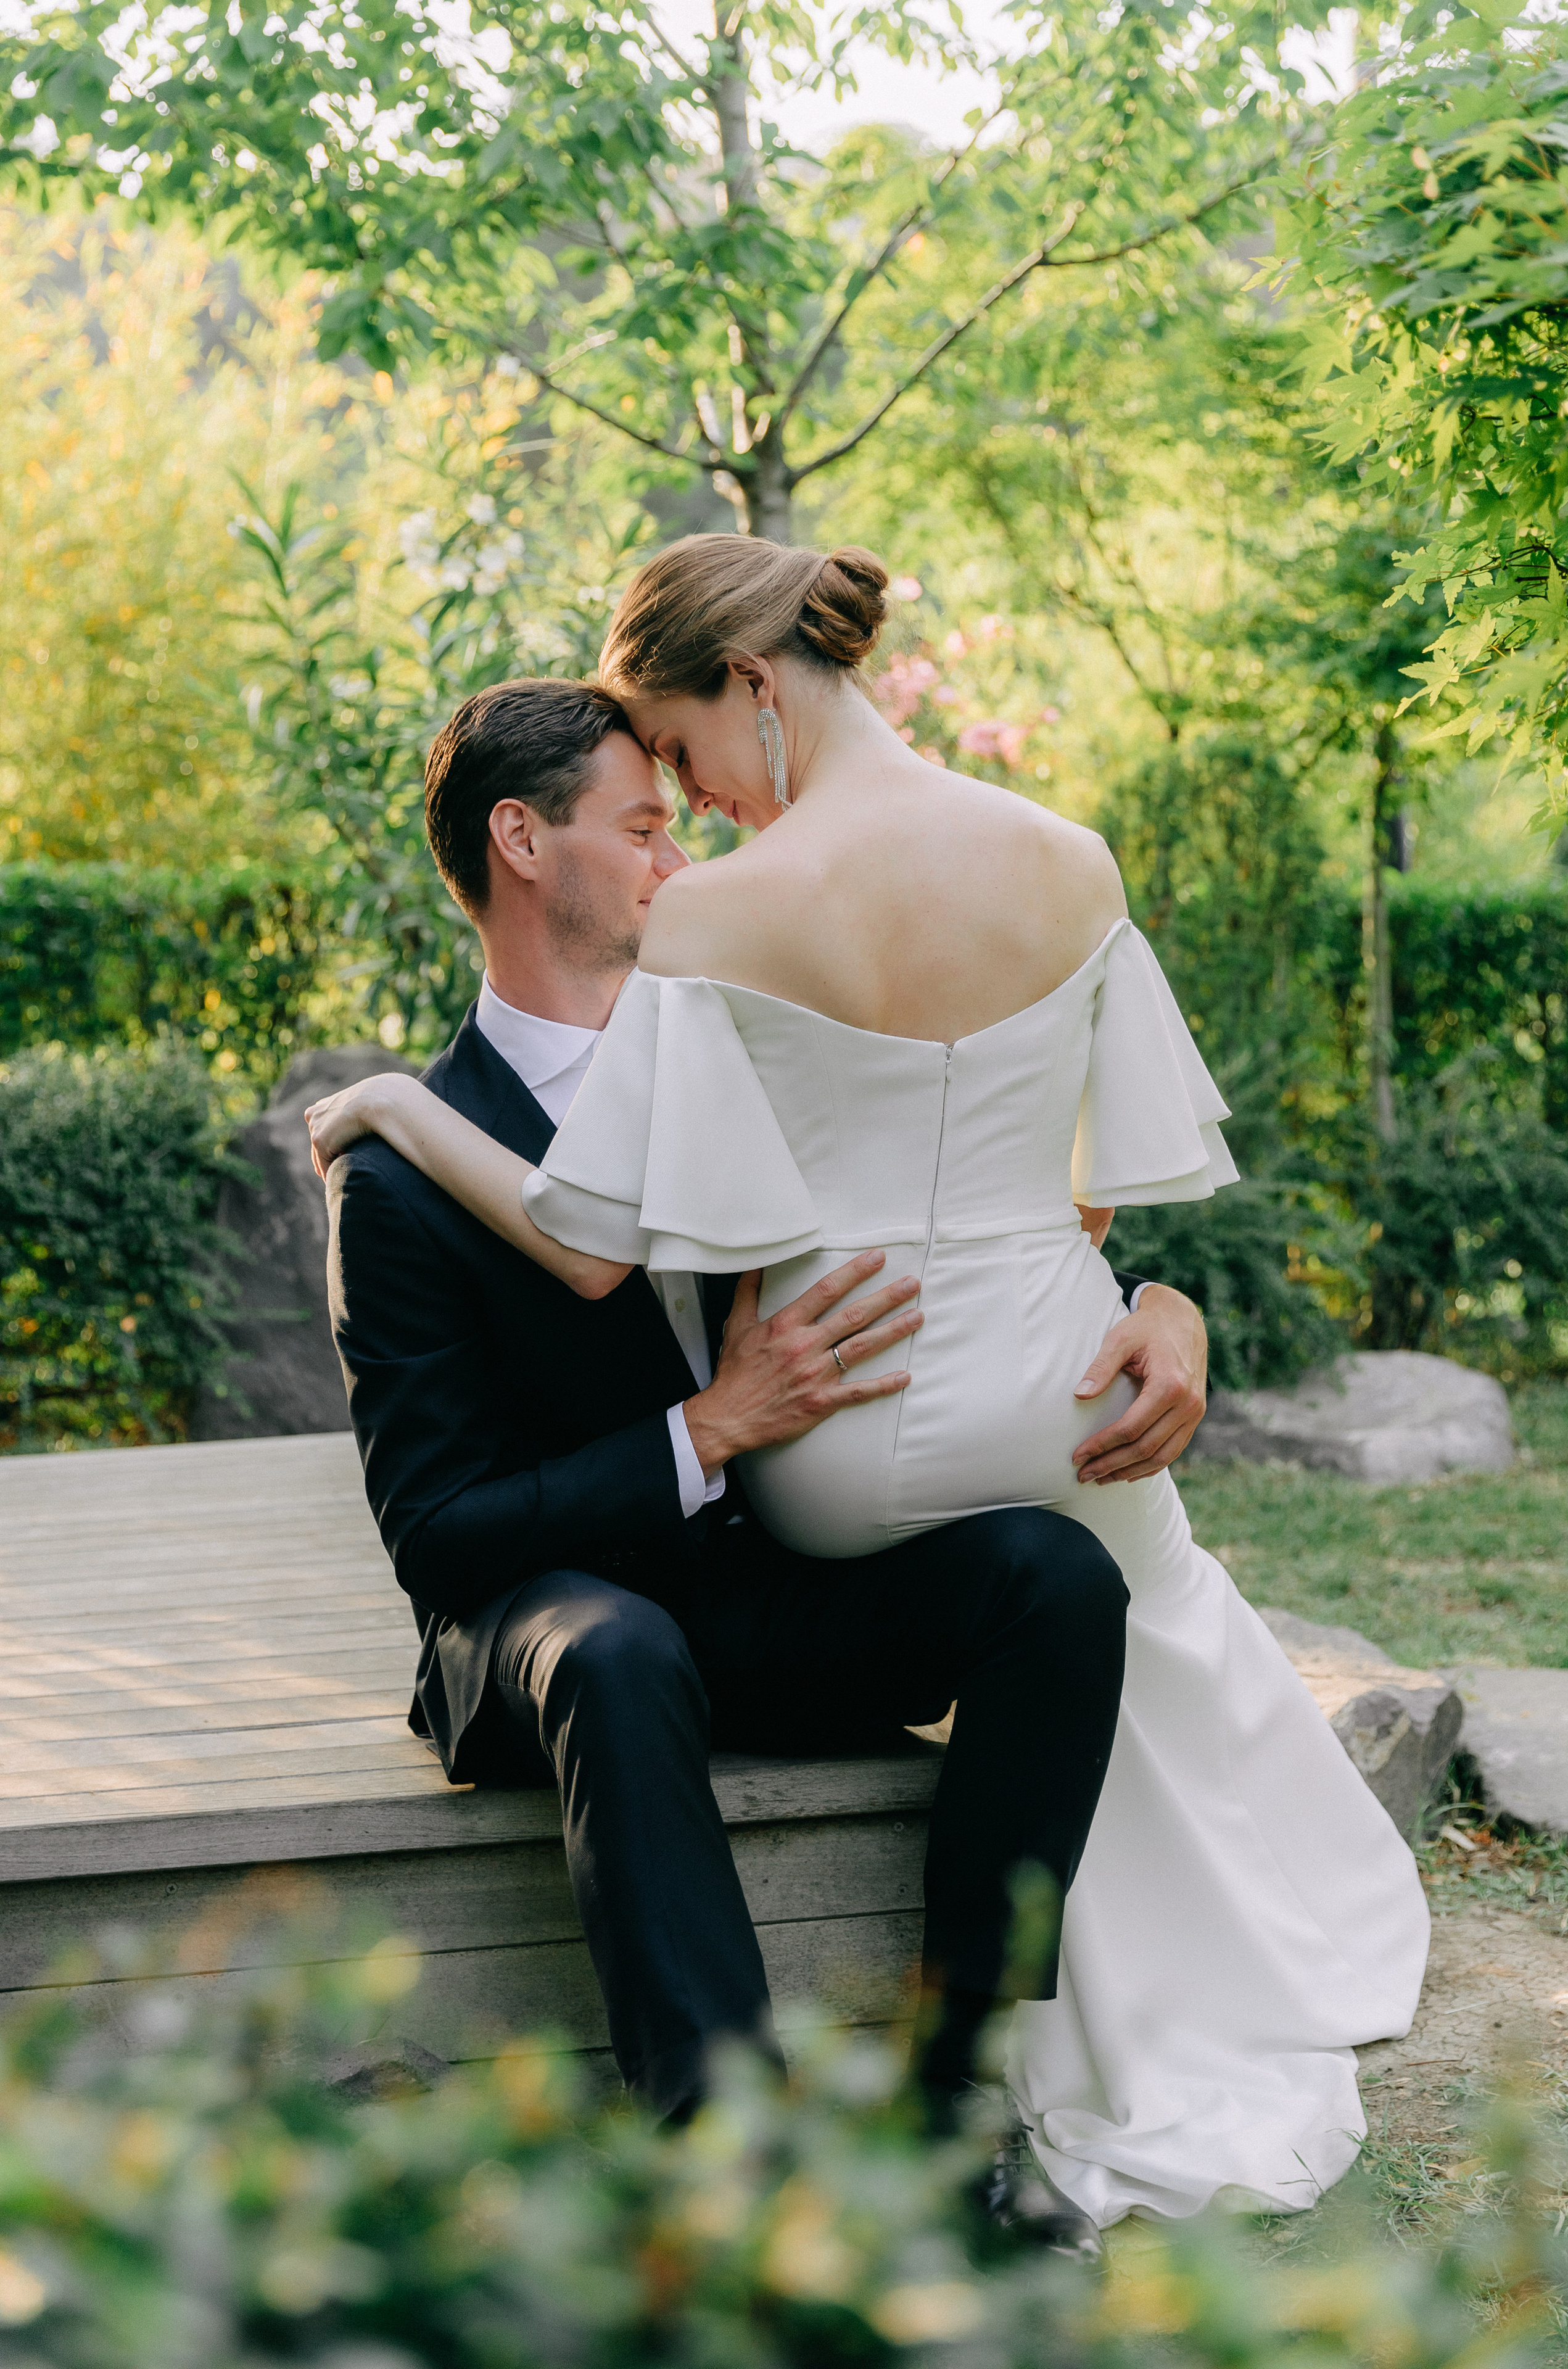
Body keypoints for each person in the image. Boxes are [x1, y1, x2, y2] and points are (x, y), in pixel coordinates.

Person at [312, 540, 1429, 2231]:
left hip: (777, 1577)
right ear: (522, 844)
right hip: (563, 1613)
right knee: (612, 1648)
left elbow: (979, 1200)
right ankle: (736, 2166)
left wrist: (1163, 1307)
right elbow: (445, 1541)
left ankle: (941, 2104)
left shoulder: (733, 1000)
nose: (684, 846)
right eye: (646, 814)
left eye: (680, 799)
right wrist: (708, 1430)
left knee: (1055, 1576)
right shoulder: (401, 1184)